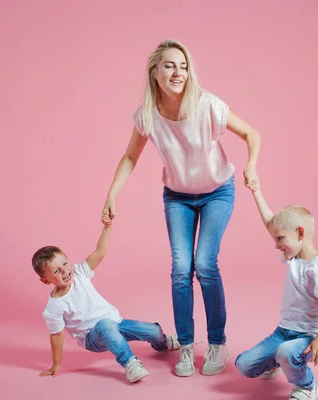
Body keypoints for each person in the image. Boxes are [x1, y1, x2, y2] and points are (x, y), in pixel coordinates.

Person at [101, 39, 261, 377]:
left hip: (218, 191)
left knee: (204, 263)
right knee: (179, 268)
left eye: (184, 66)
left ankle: (217, 342)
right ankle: (186, 346)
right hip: (177, 196)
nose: (179, 72)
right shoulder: (147, 115)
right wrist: (112, 194)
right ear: (154, 72)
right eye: (171, 65)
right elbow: (131, 156)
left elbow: (251, 133)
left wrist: (252, 166)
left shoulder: (208, 105)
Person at [32, 219, 180, 384]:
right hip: (92, 337)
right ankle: (130, 363)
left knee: (153, 331)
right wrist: (56, 364)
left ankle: (163, 343)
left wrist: (107, 228)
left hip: (116, 323)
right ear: (46, 281)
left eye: (65, 264)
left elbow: (100, 252)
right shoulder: (54, 307)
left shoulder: (79, 272)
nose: (65, 271)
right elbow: (56, 336)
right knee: (104, 325)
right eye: (56, 271)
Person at [234, 185, 318, 400]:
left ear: (300, 233)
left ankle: (307, 386)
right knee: (244, 365)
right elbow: (271, 224)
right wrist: (256, 190)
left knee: (287, 352)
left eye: (280, 239)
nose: (276, 245)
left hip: (310, 335)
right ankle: (276, 362)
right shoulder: (293, 257)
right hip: (284, 332)